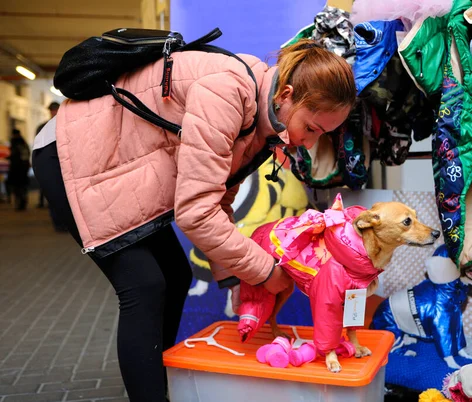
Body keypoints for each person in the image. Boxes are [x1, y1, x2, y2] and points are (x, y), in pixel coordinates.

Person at [32, 39, 355, 402]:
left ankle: (155, 387)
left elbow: (217, 201)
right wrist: (264, 271)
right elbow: (197, 213)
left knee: (176, 274)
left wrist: (238, 277)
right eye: (311, 129)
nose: (310, 144)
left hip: (114, 162)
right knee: (145, 286)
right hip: (71, 155)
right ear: (287, 94)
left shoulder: (266, 124)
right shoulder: (227, 91)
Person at [35, 101, 60, 208]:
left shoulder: (65, 124)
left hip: (61, 160)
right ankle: (45, 203)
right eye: (52, 110)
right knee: (46, 183)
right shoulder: (43, 127)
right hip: (48, 160)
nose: (53, 112)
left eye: (55, 110)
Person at [8, 129, 30, 211]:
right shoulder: (23, 143)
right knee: (23, 187)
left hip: (16, 169)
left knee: (16, 187)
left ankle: (19, 204)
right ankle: (23, 203)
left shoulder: (14, 142)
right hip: (24, 169)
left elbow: (13, 155)